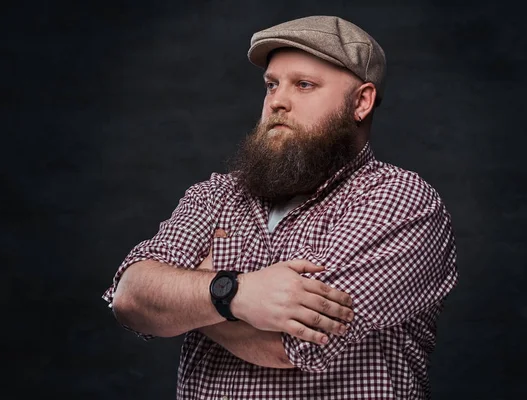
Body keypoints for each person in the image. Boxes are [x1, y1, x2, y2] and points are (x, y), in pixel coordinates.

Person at [103, 15, 458, 400]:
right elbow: (130, 298)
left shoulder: (399, 200)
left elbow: (292, 344)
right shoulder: (216, 195)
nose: (278, 101)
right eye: (272, 85)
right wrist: (235, 293)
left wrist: (191, 297)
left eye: (304, 85)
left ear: (361, 102)